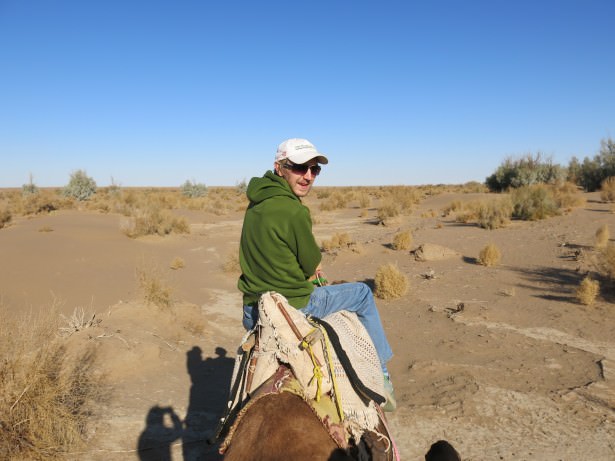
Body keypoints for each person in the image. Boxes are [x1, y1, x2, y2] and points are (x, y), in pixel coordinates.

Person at [237, 138, 396, 411]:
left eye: (314, 170)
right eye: (300, 168)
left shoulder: (256, 204)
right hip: (295, 305)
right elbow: (310, 261)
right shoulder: (295, 210)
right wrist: (312, 270)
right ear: (279, 167)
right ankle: (381, 374)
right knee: (362, 294)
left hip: (252, 309)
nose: (308, 176)